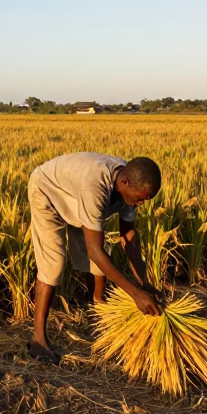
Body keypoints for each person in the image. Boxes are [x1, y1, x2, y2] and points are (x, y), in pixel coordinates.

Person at [26, 152, 163, 365]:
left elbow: (128, 238)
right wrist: (135, 294)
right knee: (53, 264)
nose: (142, 204)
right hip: (48, 191)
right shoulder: (95, 187)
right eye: (141, 198)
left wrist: (143, 284)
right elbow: (94, 251)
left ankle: (97, 310)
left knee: (99, 267)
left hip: (77, 197)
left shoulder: (130, 186)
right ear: (125, 183)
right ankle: (38, 340)